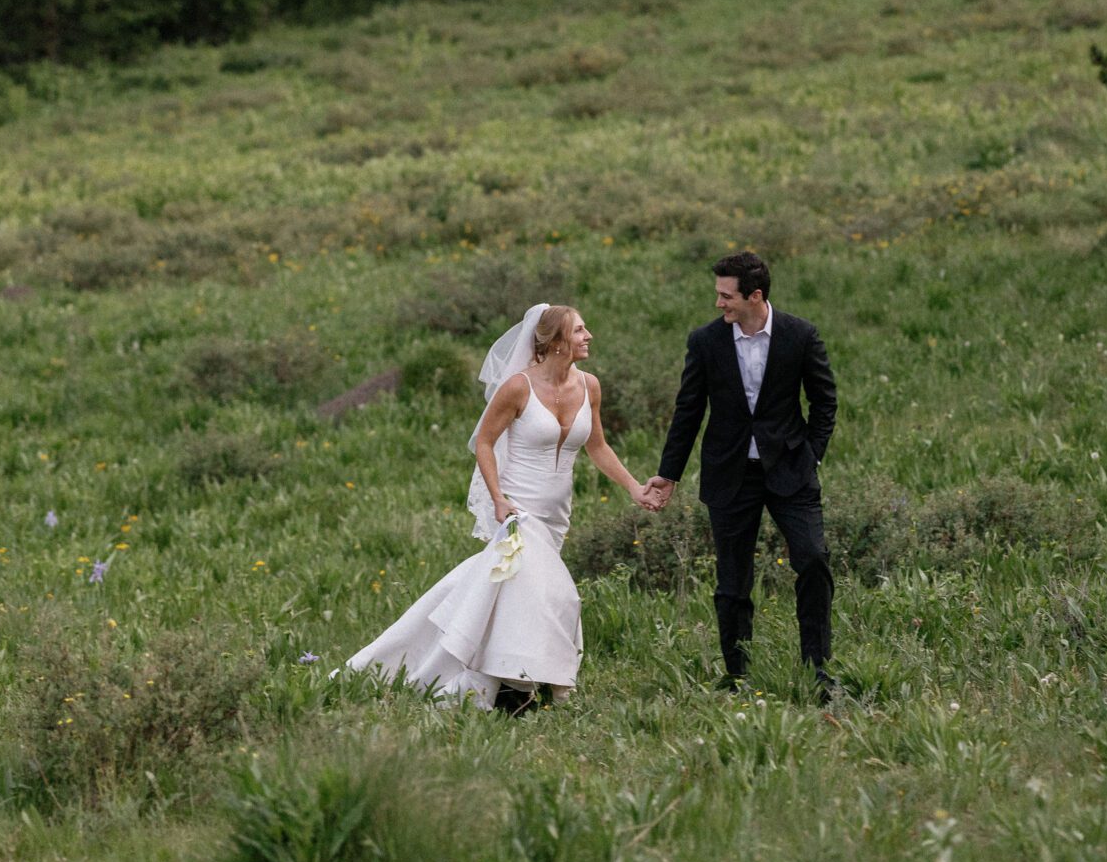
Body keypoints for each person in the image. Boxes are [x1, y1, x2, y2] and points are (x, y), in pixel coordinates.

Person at [345, 303, 652, 711]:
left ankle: (498, 681)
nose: (588, 336)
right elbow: (484, 442)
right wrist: (497, 498)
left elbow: (596, 445)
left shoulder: (589, 386)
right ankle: (514, 689)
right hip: (517, 507)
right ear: (556, 342)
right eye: (579, 330)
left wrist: (633, 487)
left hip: (557, 513)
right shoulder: (519, 388)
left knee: (503, 594)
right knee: (558, 597)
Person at [643, 251, 838, 699]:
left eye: (726, 296)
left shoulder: (800, 335)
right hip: (729, 473)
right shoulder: (705, 342)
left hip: (792, 471)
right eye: (717, 295)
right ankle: (737, 678)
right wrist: (668, 474)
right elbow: (688, 411)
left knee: (812, 560)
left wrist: (812, 456)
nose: (719, 304)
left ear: (755, 296)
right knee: (732, 581)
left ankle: (820, 672)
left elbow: (824, 402)